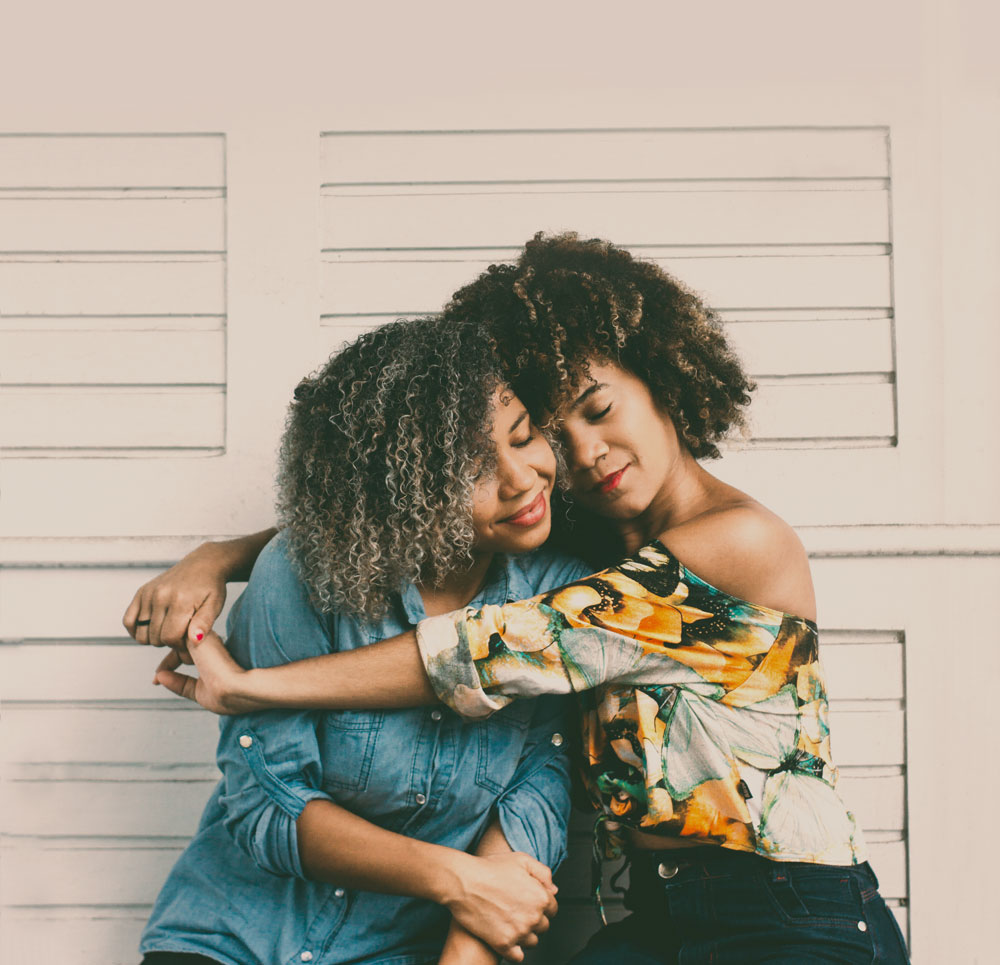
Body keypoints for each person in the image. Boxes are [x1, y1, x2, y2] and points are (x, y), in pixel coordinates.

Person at [132, 234, 910, 963]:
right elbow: (394, 509)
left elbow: (498, 652)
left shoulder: (737, 541)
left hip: (792, 910)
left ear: (660, 373)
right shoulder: (598, 551)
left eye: (600, 410)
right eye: (553, 432)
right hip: (662, 919)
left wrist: (251, 687)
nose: (586, 452)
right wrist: (222, 555)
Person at [132, 315, 595, 965]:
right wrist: (456, 880)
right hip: (234, 935)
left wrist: (469, 943)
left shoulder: (567, 597)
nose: (521, 479)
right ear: (405, 492)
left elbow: (535, 793)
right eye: (470, 472)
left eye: (523, 437)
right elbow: (269, 806)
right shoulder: (300, 577)